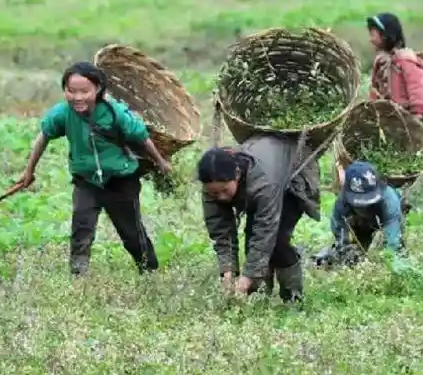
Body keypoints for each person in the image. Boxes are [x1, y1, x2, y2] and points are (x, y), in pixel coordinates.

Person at [20, 63, 172, 278]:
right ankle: (78, 274)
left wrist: (161, 163)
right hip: (86, 181)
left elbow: (141, 137)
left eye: (84, 91)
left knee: (131, 232)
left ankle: (149, 271)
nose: (77, 97)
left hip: (121, 181)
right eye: (71, 91)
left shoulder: (115, 113)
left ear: (98, 89)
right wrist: (29, 171)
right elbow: (44, 136)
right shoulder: (63, 113)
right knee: (81, 228)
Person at [198, 137, 321, 305]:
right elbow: (221, 231)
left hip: (295, 173)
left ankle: (293, 298)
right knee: (252, 241)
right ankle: (259, 298)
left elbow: (265, 231)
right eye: (214, 193)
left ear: (237, 174)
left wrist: (247, 277)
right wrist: (228, 272)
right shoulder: (211, 185)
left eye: (225, 190)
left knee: (277, 242)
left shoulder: (264, 182)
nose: (221, 197)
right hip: (264, 172)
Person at [326, 160, 404, 261]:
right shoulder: (341, 205)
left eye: (368, 202)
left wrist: (386, 260)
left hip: (383, 218)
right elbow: (340, 235)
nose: (364, 206)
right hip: (360, 224)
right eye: (360, 203)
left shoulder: (389, 201)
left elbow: (393, 242)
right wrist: (346, 251)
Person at [366, 13, 423, 115]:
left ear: (385, 35)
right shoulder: (380, 61)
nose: (371, 39)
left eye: (373, 35)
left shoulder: (405, 59)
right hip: (386, 113)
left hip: (405, 114)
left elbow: (416, 87)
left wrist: (417, 112)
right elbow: (374, 87)